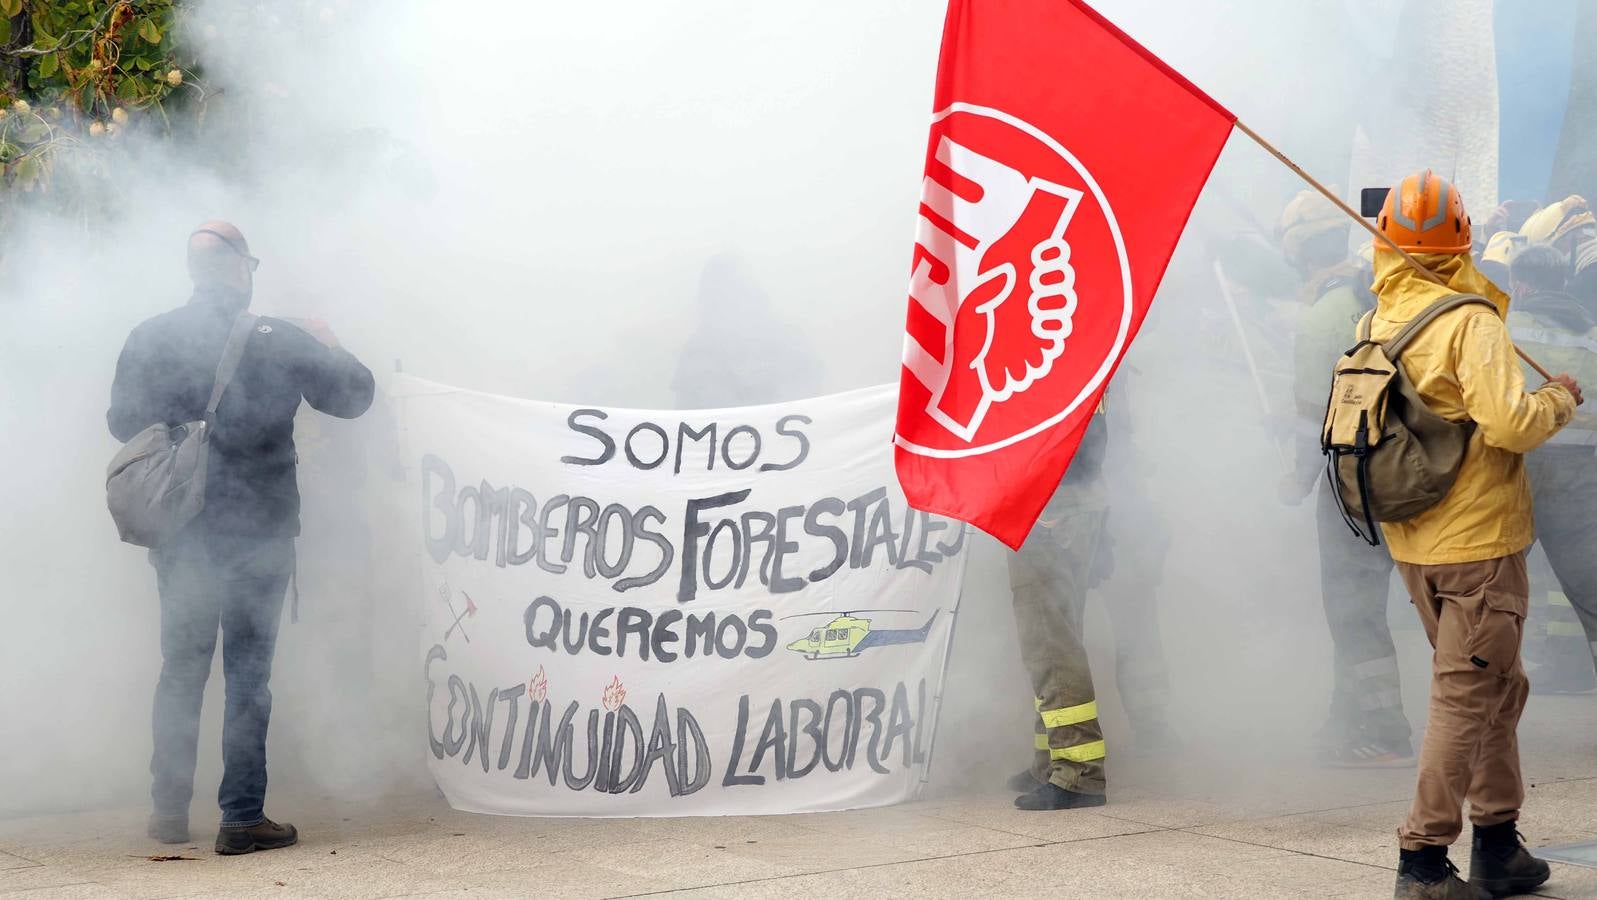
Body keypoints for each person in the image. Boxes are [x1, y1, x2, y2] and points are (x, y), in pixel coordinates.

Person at [108, 222, 375, 855]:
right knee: (248, 677)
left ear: (192, 269)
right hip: (258, 532)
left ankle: (169, 812)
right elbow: (355, 396)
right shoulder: (278, 338)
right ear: (240, 270)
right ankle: (241, 817)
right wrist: (330, 343)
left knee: (180, 670)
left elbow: (121, 421)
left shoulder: (150, 335)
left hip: (180, 532)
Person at [1368, 174, 1578, 900]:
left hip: (1413, 543)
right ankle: (1422, 862)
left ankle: (1496, 840)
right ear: (1463, 241)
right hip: (1477, 547)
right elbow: (1512, 426)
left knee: (1495, 689)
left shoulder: (1380, 317)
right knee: (1465, 701)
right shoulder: (1470, 321)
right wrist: (1558, 398)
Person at [1276, 191, 1416, 767]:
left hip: (1350, 484)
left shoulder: (1320, 316)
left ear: (1296, 254)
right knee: (1362, 603)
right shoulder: (1379, 295)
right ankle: (1348, 720)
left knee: (1352, 606)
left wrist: (1294, 479)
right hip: (1404, 474)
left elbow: (1318, 418)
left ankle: (1383, 730)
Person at [1004, 405, 1112, 811]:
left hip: (1049, 501)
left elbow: (1068, 425)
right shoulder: (1063, 339)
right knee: (1052, 638)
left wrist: (1047, 494)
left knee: (1049, 642)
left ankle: (1077, 772)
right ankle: (1050, 760)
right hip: (1061, 498)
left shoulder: (1042, 342)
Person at [1506, 243, 1597, 694]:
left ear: (1520, 284)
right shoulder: (1593, 334)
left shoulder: (1506, 330)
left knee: (1493, 591)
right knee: (1589, 588)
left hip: (1517, 473)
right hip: (1581, 478)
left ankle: (1483, 687)